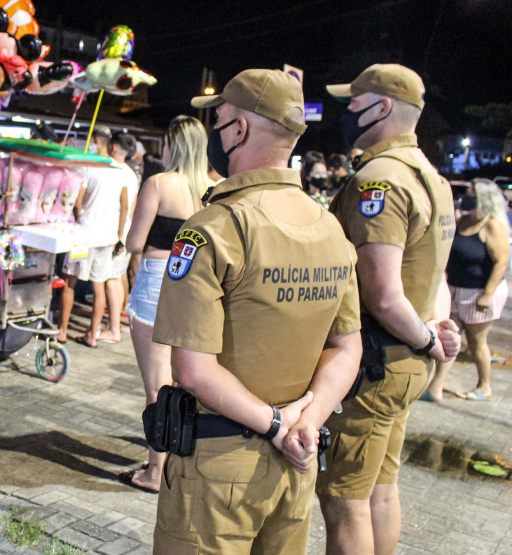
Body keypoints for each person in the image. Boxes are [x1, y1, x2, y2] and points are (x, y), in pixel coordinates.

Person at [151, 69, 363, 554]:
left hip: (218, 469)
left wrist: (274, 424)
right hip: (297, 465)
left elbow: (193, 368)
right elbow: (346, 347)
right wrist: (307, 422)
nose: (218, 135)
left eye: (220, 123)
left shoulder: (215, 228)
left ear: (239, 131)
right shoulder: (330, 228)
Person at [318, 64, 461, 555]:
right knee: (379, 486)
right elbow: (434, 274)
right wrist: (434, 332)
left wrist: (427, 339)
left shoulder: (379, 180)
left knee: (343, 498)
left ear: (380, 108)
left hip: (378, 360)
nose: (346, 113)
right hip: (406, 360)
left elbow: (381, 292)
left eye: (353, 103)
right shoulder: (433, 179)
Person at [119, 115, 213, 493]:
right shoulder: (214, 188)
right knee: (186, 378)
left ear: (173, 145)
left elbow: (134, 243)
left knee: (157, 383)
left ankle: (155, 472)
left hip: (157, 280)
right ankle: (176, 461)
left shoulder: (159, 183)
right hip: (197, 285)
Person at [425, 179, 510, 402]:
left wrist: (488, 294)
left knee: (476, 342)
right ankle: (436, 387)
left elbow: (501, 262)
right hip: (455, 289)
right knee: (452, 337)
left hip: (479, 292)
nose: (467, 197)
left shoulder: (491, 225)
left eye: (472, 194)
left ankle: (484, 386)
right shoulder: (462, 221)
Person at [55, 125, 129, 348]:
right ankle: (91, 334)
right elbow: (124, 205)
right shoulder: (120, 170)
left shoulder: (89, 166)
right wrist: (118, 233)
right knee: (99, 286)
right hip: (107, 238)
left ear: (96, 141)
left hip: (84, 236)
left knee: (70, 282)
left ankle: (62, 331)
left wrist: (79, 216)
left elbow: (77, 202)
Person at [98, 132, 140, 344]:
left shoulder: (114, 171)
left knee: (111, 280)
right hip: (125, 232)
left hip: (117, 234)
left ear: (113, 148)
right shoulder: (130, 174)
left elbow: (125, 206)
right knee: (118, 276)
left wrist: (119, 235)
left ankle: (113, 328)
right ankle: (115, 323)